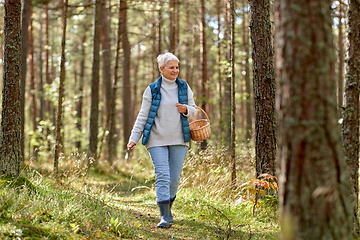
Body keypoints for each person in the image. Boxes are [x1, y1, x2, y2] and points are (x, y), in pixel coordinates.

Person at [127, 52, 197, 228]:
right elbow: (143, 115)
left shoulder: (184, 87)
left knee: (174, 178)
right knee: (163, 175)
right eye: (171, 67)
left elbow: (195, 111)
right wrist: (134, 138)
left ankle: (168, 208)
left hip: (179, 138)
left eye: (177, 67)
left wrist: (186, 109)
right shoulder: (152, 89)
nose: (175, 71)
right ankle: (164, 216)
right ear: (161, 69)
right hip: (156, 139)